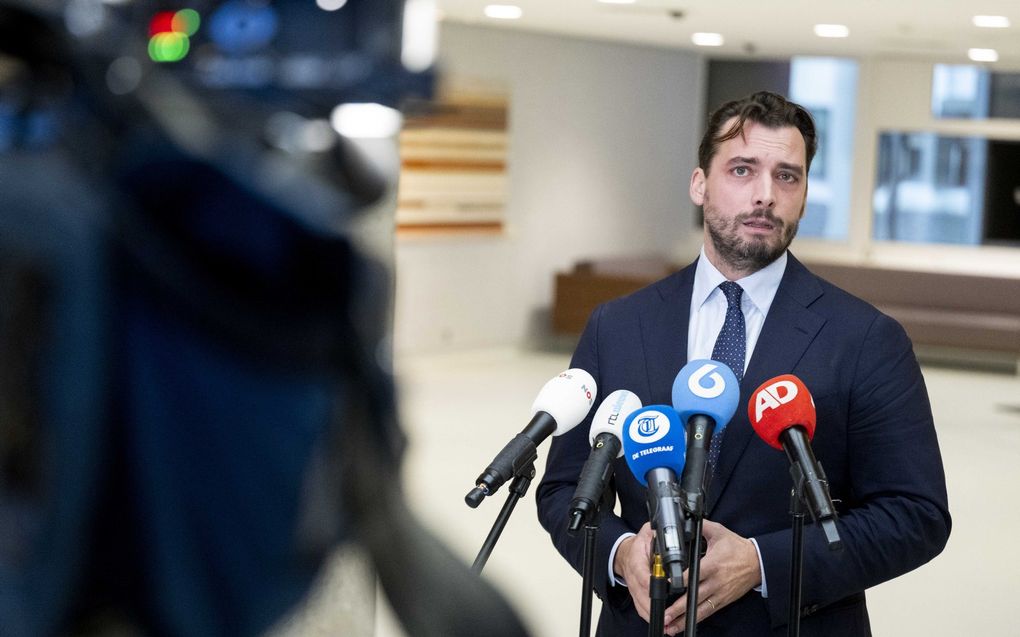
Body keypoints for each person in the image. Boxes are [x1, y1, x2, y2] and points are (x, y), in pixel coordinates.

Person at [536, 90, 951, 636]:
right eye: (741, 169)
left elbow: (914, 515)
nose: (764, 195)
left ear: (803, 195)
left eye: (787, 177)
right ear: (699, 184)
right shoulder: (617, 325)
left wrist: (760, 563)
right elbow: (564, 489)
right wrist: (618, 555)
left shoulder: (867, 338)